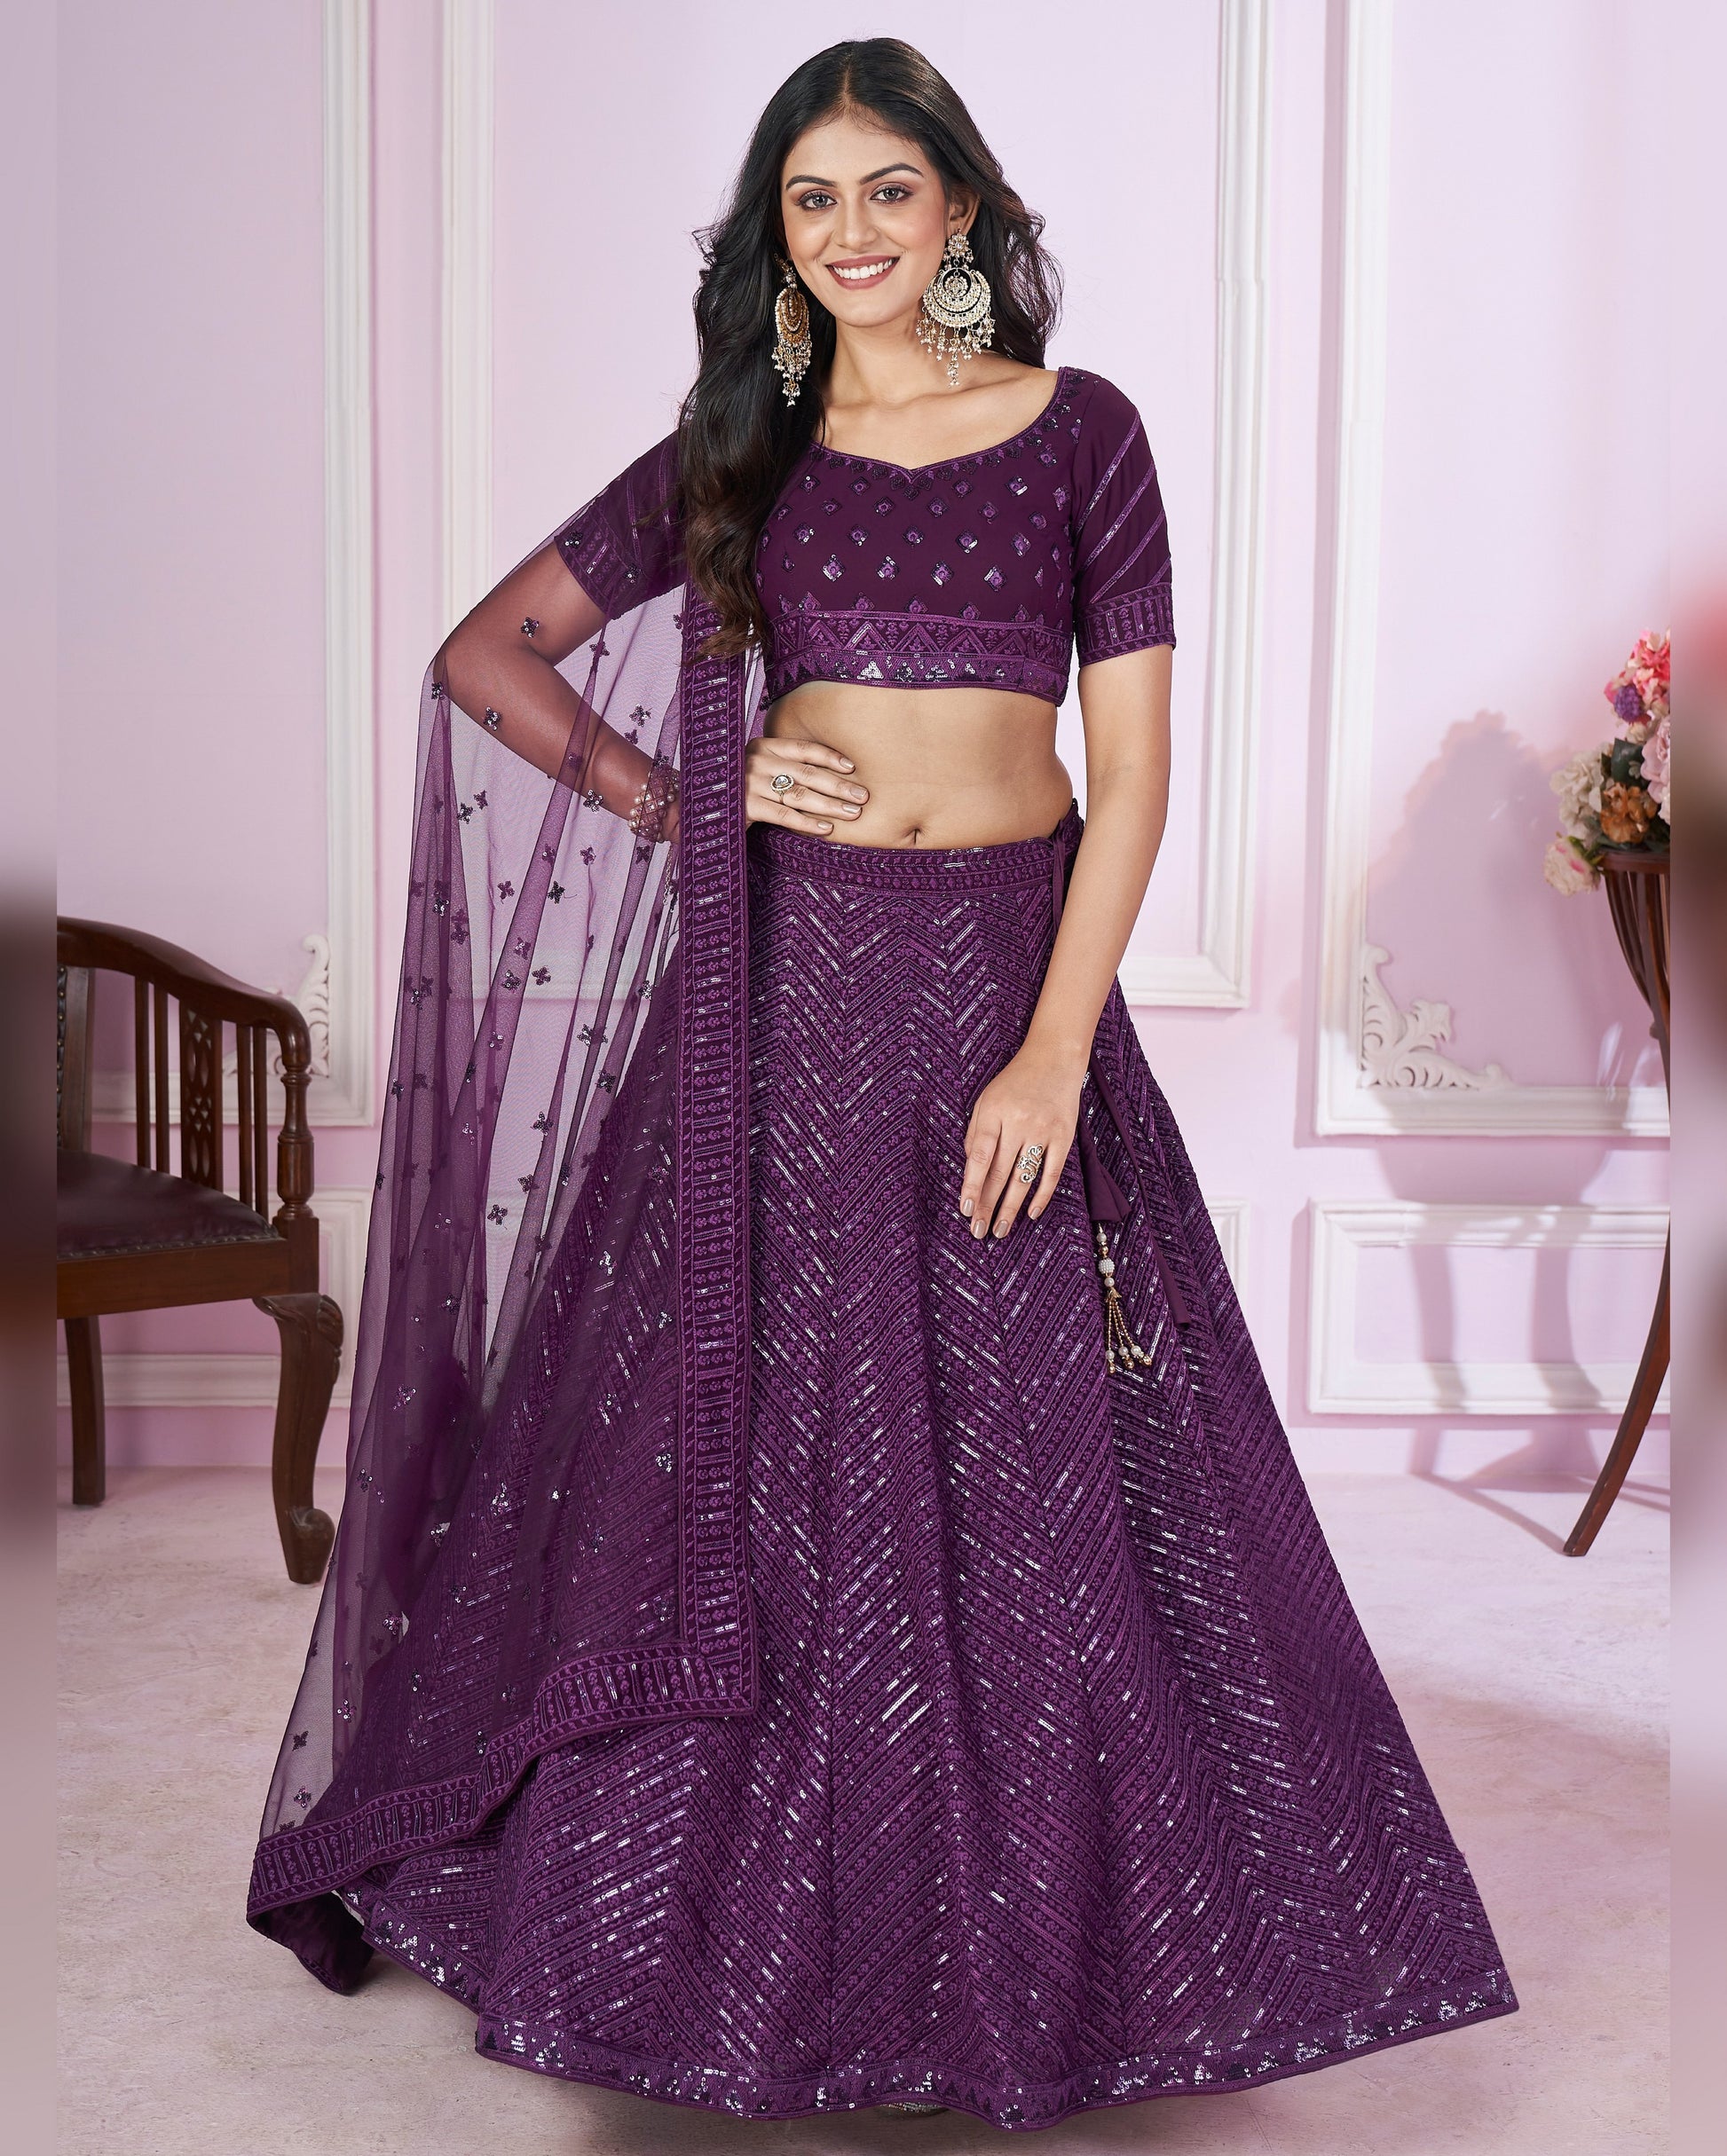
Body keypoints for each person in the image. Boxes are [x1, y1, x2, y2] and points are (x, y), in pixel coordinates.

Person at [246, 37, 1517, 2132]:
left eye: (886, 194)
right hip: (784, 1003)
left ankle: (1057, 1950)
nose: (849, 235)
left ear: (963, 216)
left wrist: (1045, 1051)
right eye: (809, 201)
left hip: (1007, 995)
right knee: (738, 1471)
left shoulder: (1077, 435)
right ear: (776, 236)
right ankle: (696, 1953)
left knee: (1051, 1482)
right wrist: (681, 794)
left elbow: (1132, 784)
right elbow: (486, 654)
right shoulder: (736, 456)